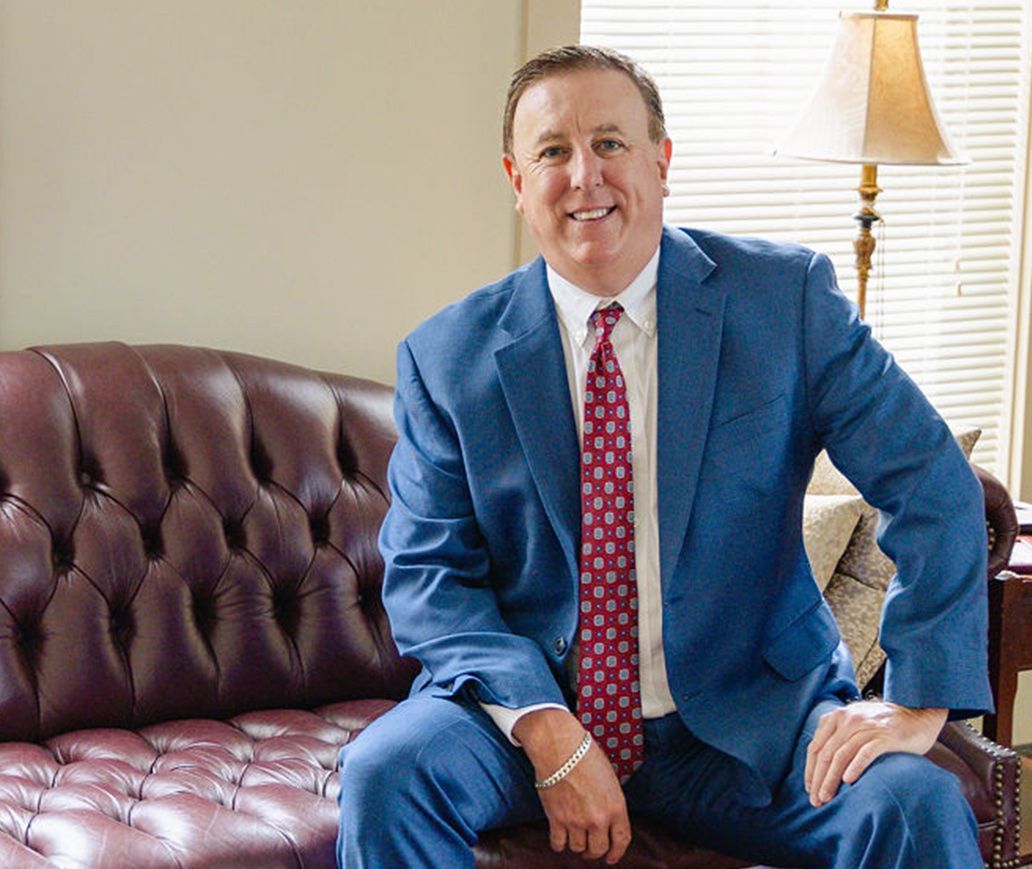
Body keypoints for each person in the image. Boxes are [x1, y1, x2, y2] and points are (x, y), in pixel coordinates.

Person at [337, 45, 993, 869]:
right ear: (515, 179)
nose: (584, 175)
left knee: (913, 802)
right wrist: (549, 734)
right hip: (531, 714)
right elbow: (431, 578)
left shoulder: (782, 304)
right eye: (552, 151)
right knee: (384, 773)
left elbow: (930, 480)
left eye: (610, 142)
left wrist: (918, 699)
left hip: (750, 718)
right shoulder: (447, 358)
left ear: (662, 160)